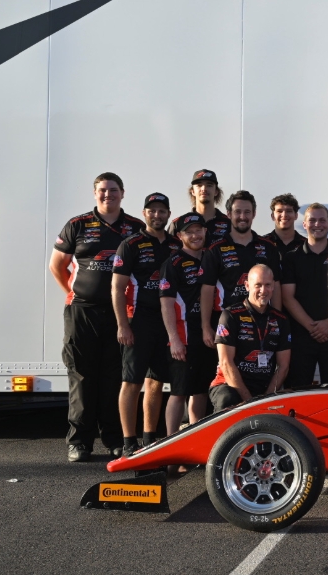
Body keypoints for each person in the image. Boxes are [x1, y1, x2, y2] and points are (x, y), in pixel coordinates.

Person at [50, 173, 142, 462]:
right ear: (94, 193)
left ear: (122, 193)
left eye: (113, 190)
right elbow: (57, 266)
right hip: (82, 312)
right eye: (102, 190)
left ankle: (114, 439)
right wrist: (74, 293)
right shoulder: (77, 225)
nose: (107, 195)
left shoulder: (135, 228)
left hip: (119, 314)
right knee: (81, 376)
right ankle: (79, 442)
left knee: (114, 376)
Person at [112, 193, 183, 457]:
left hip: (167, 321)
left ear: (168, 214)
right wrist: (122, 325)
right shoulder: (130, 244)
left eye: (162, 211)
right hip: (138, 320)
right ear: (144, 213)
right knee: (131, 381)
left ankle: (149, 439)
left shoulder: (176, 244)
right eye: (152, 210)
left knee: (156, 381)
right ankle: (128, 442)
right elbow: (117, 288)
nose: (157, 215)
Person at [200, 190, 281, 349]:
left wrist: (277, 321)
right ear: (229, 214)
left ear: (254, 214)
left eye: (247, 212)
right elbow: (207, 289)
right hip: (225, 323)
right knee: (225, 365)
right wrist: (206, 327)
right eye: (237, 212)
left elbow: (276, 286)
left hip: (262, 323)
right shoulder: (215, 249)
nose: (242, 217)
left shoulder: (268, 247)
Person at [160, 212, 216, 433]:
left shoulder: (211, 258)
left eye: (198, 230)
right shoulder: (172, 263)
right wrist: (173, 339)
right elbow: (166, 303)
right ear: (180, 236)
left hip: (206, 334)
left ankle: (195, 436)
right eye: (189, 232)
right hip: (183, 336)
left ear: (205, 231)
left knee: (200, 390)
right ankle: (170, 440)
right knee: (179, 391)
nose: (195, 235)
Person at [209, 265, 291, 411]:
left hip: (264, 387)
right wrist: (249, 402)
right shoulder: (230, 316)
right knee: (228, 399)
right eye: (258, 285)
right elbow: (226, 363)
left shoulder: (281, 319)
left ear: (273, 286)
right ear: (247, 286)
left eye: (267, 285)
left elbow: (283, 366)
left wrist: (266, 399)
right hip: (229, 384)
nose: (263, 291)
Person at [281, 203, 328, 387]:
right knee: (297, 391)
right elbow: (287, 297)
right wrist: (313, 327)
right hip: (301, 335)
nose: (317, 224)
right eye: (312, 220)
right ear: (304, 224)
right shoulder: (291, 257)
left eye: (322, 220)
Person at [187, 169, 231, 246]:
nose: (204, 189)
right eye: (199, 185)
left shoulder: (229, 224)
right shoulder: (179, 224)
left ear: (216, 191)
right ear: (192, 191)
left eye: (209, 185)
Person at [263, 193, 305, 259]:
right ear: (272, 216)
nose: (284, 215)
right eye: (279, 211)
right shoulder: (262, 243)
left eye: (289, 211)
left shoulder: (306, 244)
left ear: (296, 216)